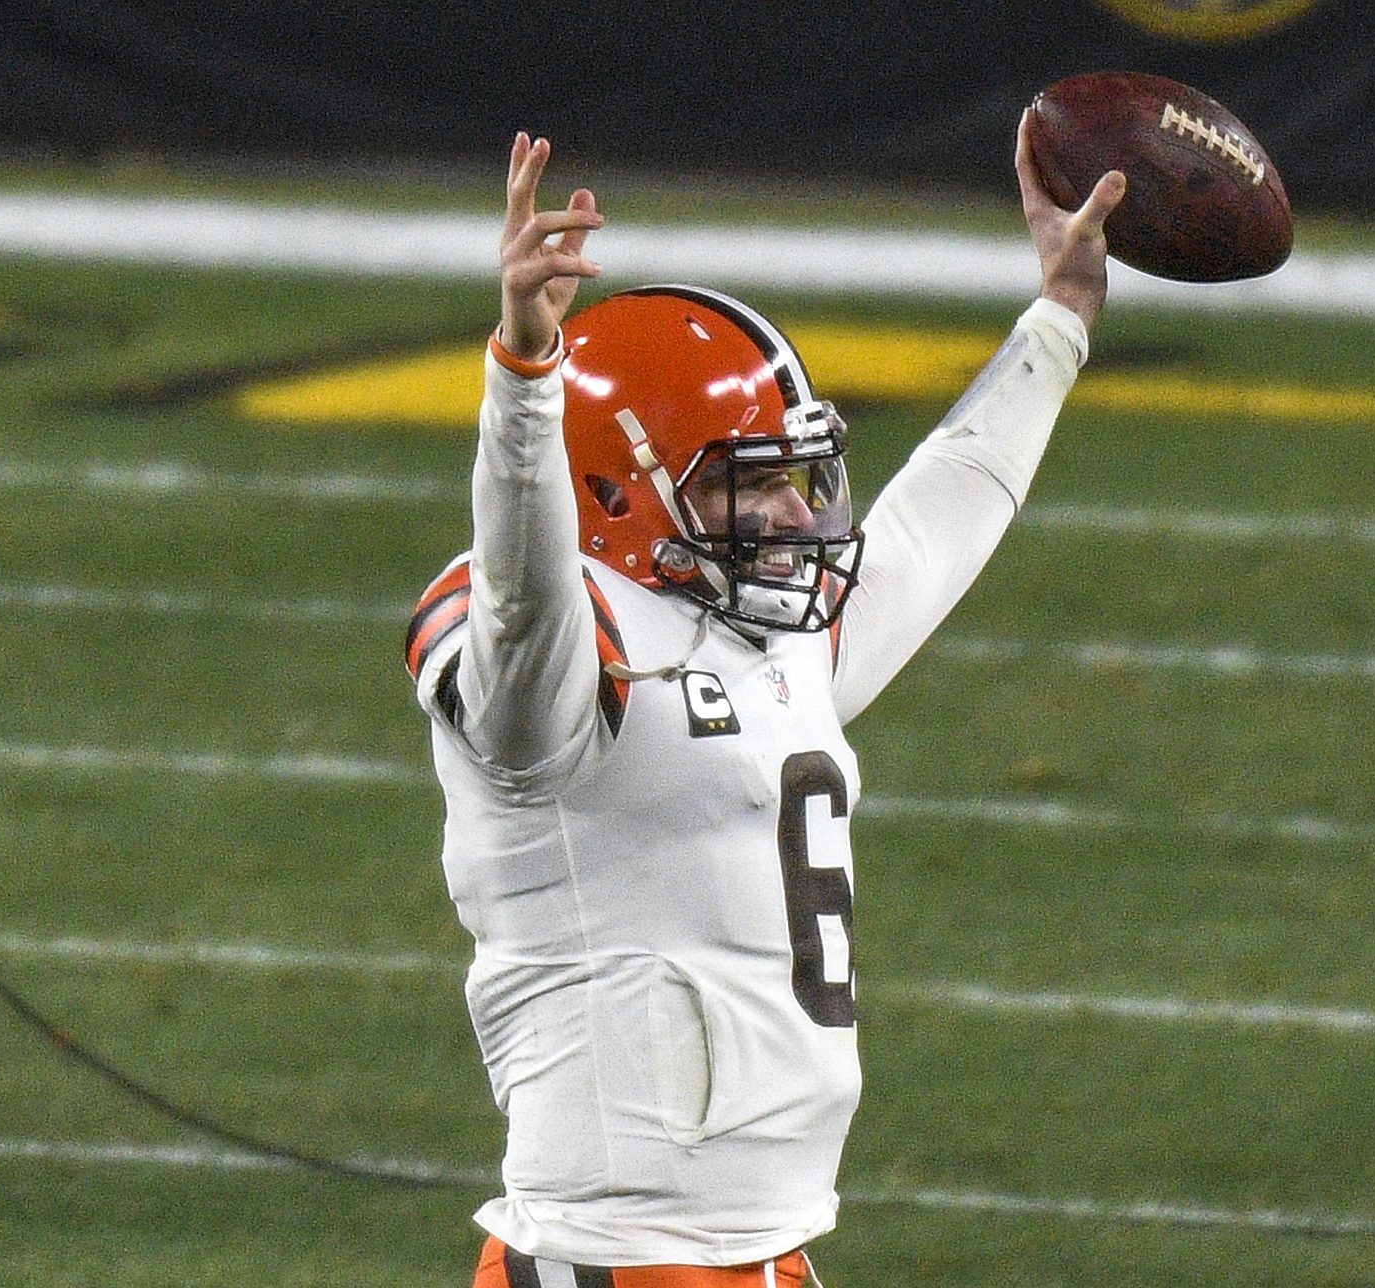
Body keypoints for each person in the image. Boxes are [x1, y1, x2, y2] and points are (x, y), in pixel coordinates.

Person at [406, 117, 1126, 1288]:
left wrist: (1059, 318)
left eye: (795, 481)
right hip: (613, 1257)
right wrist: (526, 382)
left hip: (761, 1251)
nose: (796, 517)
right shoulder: (554, 655)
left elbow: (941, 517)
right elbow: (521, 597)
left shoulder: (769, 636)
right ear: (619, 491)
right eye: (748, 488)